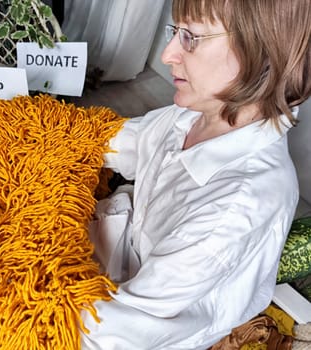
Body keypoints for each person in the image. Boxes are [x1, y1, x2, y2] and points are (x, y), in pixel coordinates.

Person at [80, 0, 311, 349]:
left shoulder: (239, 203)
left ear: (263, 52)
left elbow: (109, 333)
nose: (167, 54)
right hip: (124, 256)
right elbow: (118, 142)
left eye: (191, 38)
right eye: (176, 32)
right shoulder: (196, 114)